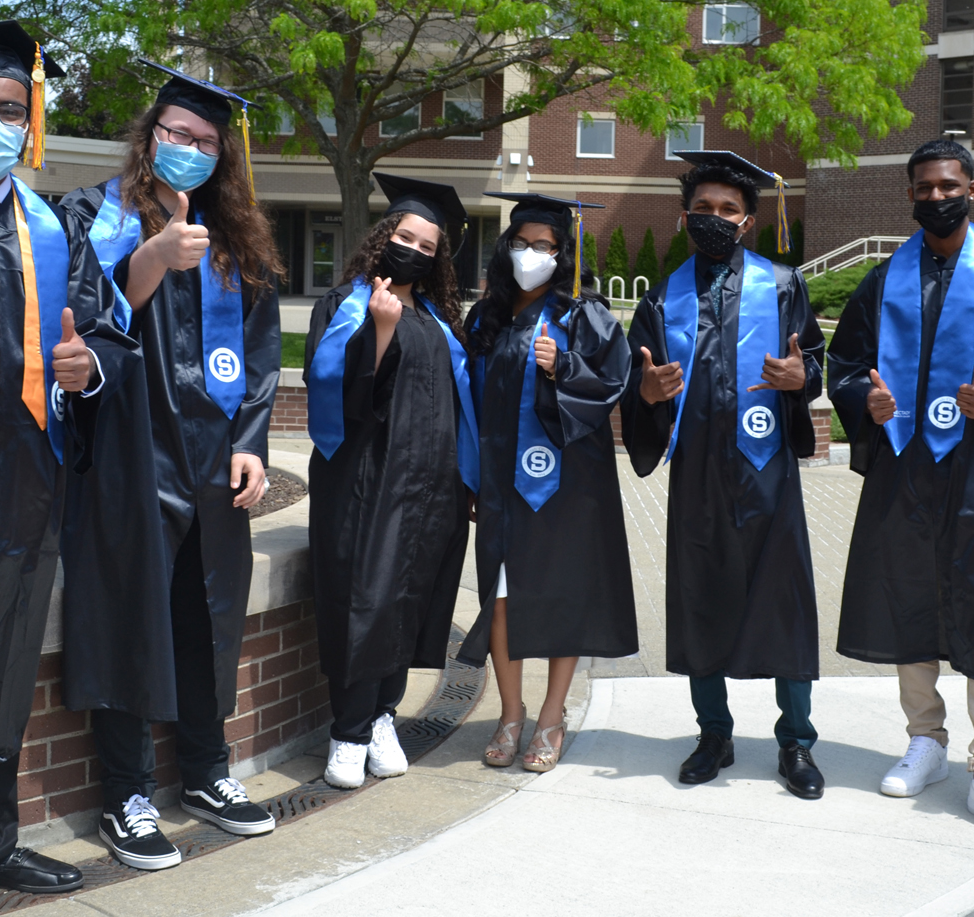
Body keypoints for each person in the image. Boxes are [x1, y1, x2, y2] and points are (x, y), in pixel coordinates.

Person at [0, 21, 137, 911]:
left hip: (30, 469)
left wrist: (90, 368)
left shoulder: (51, 223)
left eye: (12, 111)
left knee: (4, 657)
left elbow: (106, 334)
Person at [59, 62, 282, 871]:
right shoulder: (91, 214)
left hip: (212, 460)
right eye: (177, 135)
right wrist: (152, 257)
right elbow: (76, 330)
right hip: (125, 454)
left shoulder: (239, 238)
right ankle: (125, 794)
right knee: (129, 620)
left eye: (207, 143)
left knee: (207, 620)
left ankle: (206, 773)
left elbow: (259, 355)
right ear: (149, 136)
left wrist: (252, 440)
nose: (190, 150)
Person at [623, 151, 826, 799]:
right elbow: (637, 379)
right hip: (699, 481)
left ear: (747, 221)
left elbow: (811, 362)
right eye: (703, 209)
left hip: (767, 479)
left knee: (785, 608)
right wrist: (647, 394)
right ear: (686, 218)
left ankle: (795, 741)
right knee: (699, 603)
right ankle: (715, 734)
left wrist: (804, 380)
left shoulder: (783, 285)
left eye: (728, 210)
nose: (715, 219)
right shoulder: (661, 296)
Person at [828, 139, 974, 828]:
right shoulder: (883, 279)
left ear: (973, 189)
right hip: (905, 463)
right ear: (909, 195)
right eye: (922, 188)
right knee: (908, 593)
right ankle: (925, 738)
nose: (935, 197)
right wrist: (860, 401)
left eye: (947, 185)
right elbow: (847, 364)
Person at [305, 173, 477, 790]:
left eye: (428, 248)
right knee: (366, 599)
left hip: (431, 489)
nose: (416, 251)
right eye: (407, 237)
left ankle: (383, 714)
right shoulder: (345, 304)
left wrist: (468, 478)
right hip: (366, 484)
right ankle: (347, 732)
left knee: (411, 602)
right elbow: (340, 401)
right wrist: (379, 330)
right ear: (384, 237)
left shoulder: (436, 320)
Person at [459, 192, 637, 773]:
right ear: (505, 248)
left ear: (564, 254)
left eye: (545, 245)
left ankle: (552, 718)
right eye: (522, 242)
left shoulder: (586, 316)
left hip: (566, 486)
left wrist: (564, 367)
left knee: (561, 597)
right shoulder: (485, 317)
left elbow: (613, 384)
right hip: (499, 484)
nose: (531, 253)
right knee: (503, 600)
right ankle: (512, 714)